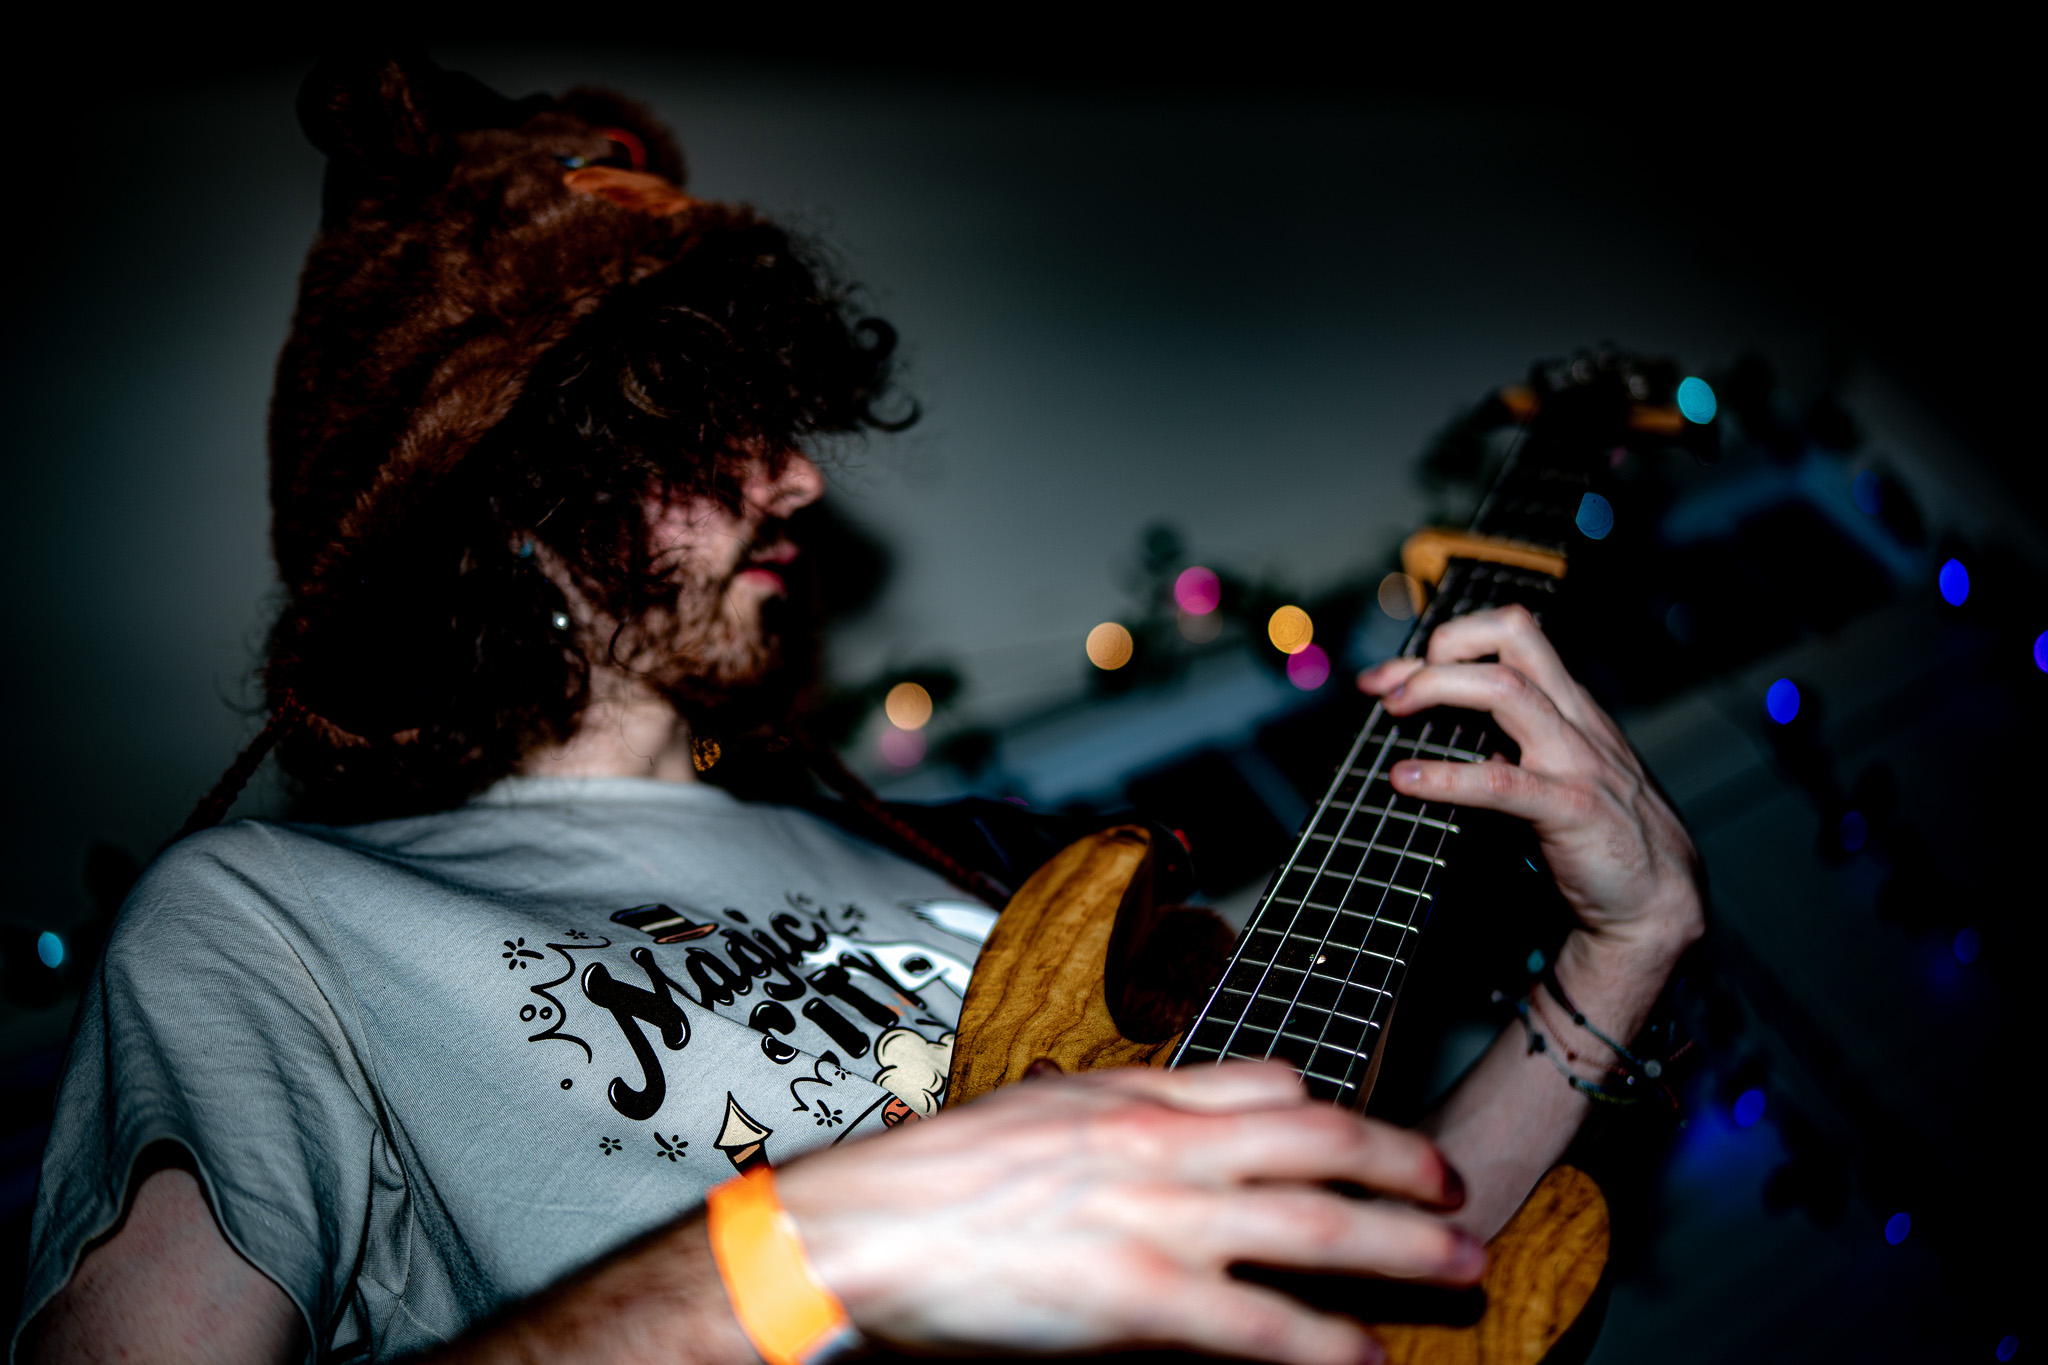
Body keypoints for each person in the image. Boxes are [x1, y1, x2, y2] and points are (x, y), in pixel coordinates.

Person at [13, 53, 1704, 1365]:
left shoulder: (978, 863)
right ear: (516, 500)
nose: (802, 477)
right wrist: (803, 1247)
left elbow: (1350, 1280)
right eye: (707, 427)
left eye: (783, 419)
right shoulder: (271, 919)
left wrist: (1622, 951)